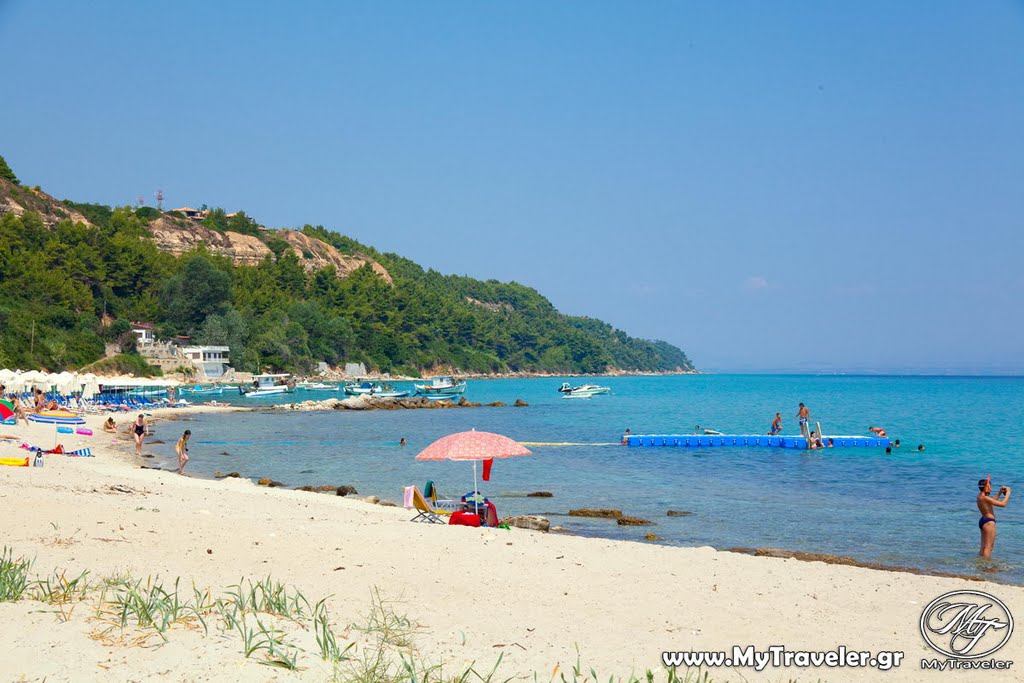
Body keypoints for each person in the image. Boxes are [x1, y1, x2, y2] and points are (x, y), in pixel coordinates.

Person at [977, 478, 1011, 558]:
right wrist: (1008, 493)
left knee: (983, 546)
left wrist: (999, 493)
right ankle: (986, 565)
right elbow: (1003, 504)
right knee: (989, 547)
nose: (991, 488)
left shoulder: (981, 496)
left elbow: (992, 501)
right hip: (989, 523)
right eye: (990, 486)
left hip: (983, 520)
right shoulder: (985, 497)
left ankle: (980, 566)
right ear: (987, 487)